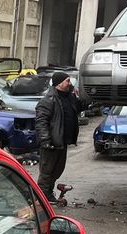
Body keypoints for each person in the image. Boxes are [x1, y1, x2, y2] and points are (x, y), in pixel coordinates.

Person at [35, 71, 88, 203]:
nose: (69, 83)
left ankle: (48, 193)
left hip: (62, 142)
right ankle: (42, 197)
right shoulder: (48, 100)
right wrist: (45, 141)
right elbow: (41, 122)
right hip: (51, 143)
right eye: (67, 81)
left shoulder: (69, 97)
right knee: (47, 172)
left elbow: (79, 107)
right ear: (59, 83)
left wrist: (92, 98)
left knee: (57, 170)